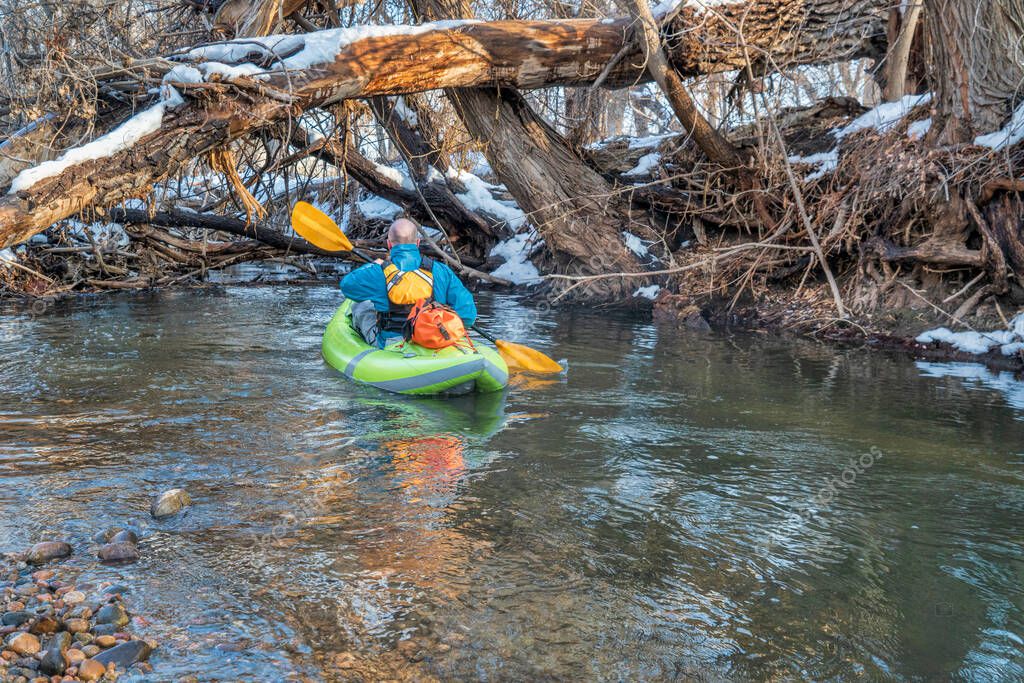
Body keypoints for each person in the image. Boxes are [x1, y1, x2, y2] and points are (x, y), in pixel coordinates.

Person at [341, 217, 477, 347]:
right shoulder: (441, 270)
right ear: (417, 243)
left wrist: (374, 265)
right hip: (435, 337)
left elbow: (346, 286)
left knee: (361, 305)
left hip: (393, 342)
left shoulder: (378, 271)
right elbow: (468, 315)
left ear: (389, 245)